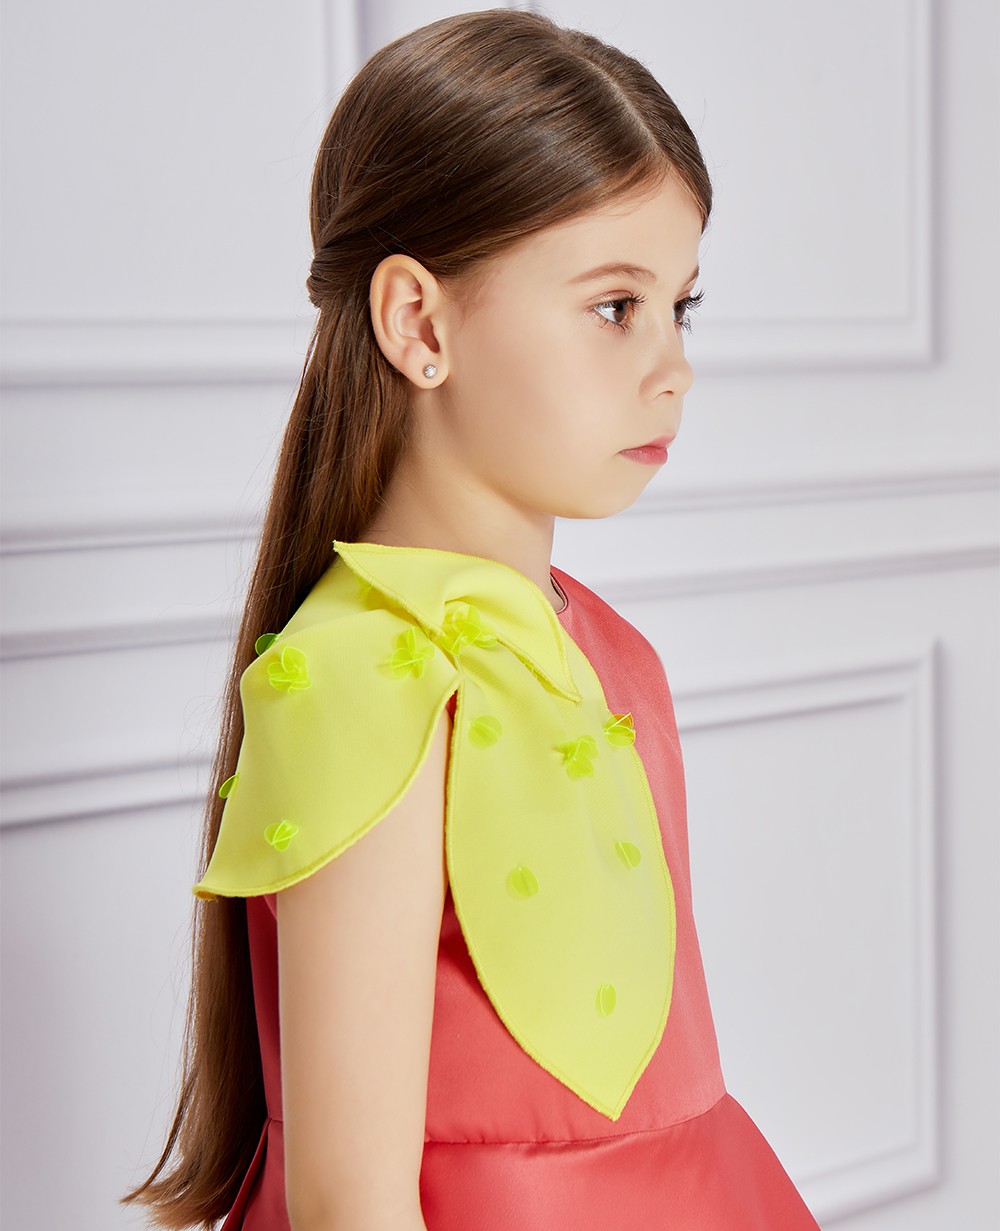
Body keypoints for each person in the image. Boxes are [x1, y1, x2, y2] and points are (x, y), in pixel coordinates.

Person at [122, 9, 822, 1229]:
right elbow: (352, 1199)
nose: (673, 365)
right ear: (420, 324)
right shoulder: (366, 678)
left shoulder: (610, 651)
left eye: (682, 306)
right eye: (614, 306)